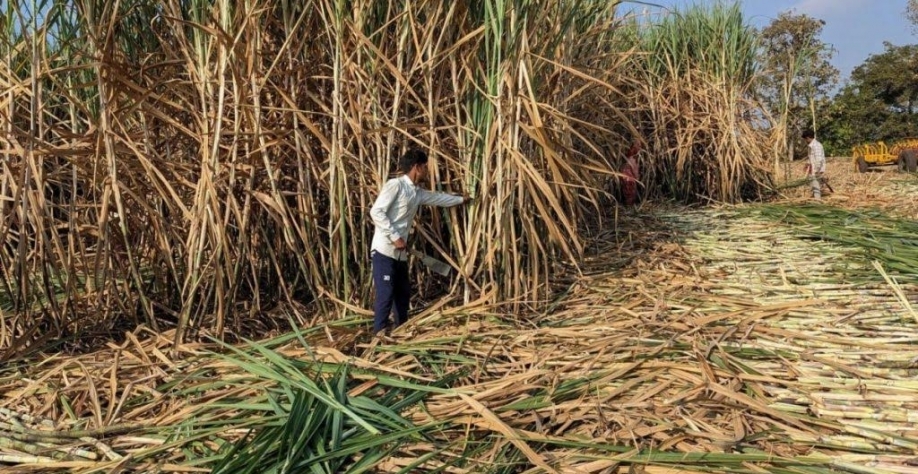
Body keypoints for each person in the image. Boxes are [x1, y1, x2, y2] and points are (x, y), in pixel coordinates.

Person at [369, 148, 471, 337]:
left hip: (399, 253)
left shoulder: (416, 192)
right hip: (384, 250)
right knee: (386, 292)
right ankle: (379, 334)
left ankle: (400, 330)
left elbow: (437, 198)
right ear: (417, 167)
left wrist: (461, 200)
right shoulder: (396, 185)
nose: (427, 171)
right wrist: (394, 237)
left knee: (403, 292)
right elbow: (376, 212)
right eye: (425, 167)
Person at [802, 129, 827, 200]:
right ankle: (815, 197)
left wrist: (817, 170)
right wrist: (807, 164)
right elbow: (811, 157)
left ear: (808, 138)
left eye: (805, 139)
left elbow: (819, 159)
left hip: (816, 169)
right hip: (812, 168)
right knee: (813, 184)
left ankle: (817, 200)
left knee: (815, 184)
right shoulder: (811, 146)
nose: (805, 141)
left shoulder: (816, 146)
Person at [621, 141, 642, 206]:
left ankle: (628, 206)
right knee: (630, 194)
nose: (638, 148)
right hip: (630, 179)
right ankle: (629, 206)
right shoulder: (631, 159)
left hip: (626, 178)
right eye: (637, 147)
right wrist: (637, 177)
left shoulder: (627, 158)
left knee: (628, 193)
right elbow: (634, 170)